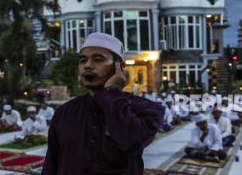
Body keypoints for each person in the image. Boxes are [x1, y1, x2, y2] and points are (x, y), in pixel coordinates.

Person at [42, 32, 163, 175]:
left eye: (98, 59)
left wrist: (112, 92)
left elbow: (131, 141)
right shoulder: (64, 113)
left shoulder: (146, 109)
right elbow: (51, 164)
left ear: (120, 67)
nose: (87, 65)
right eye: (83, 60)